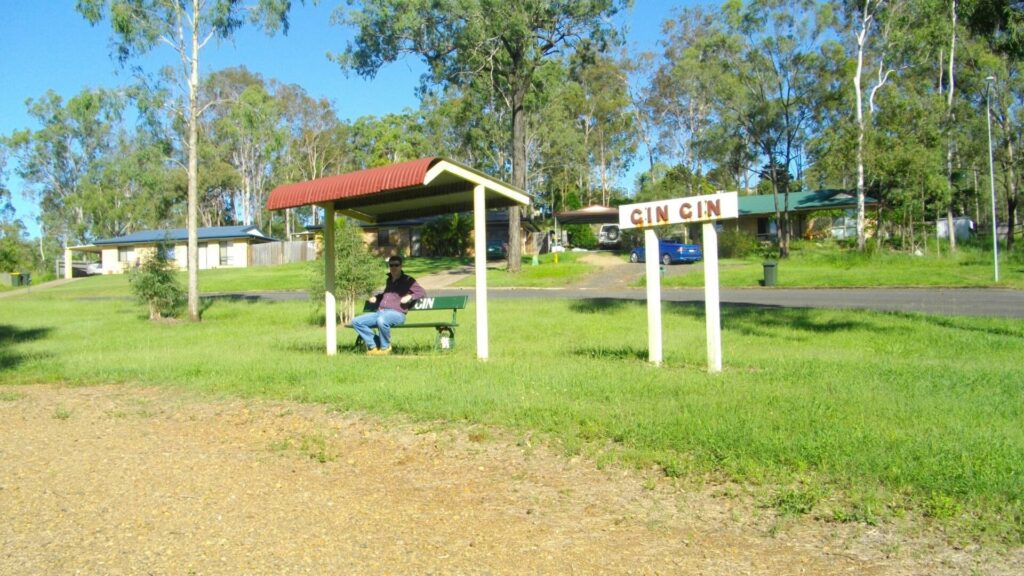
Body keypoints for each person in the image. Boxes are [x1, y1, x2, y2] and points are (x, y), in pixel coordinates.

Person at [351, 255, 426, 355]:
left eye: (396, 265)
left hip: (397, 314)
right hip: (380, 312)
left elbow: (422, 292)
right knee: (356, 322)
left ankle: (385, 347)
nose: (394, 267)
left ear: (401, 266)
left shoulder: (408, 280)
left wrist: (410, 297)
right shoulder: (389, 280)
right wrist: (376, 298)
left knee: (381, 320)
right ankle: (374, 346)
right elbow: (386, 295)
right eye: (391, 265)